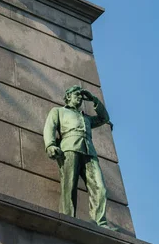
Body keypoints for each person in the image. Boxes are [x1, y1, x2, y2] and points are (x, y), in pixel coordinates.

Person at [43, 86, 115, 229]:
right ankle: (68, 217)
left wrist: (93, 99)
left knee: (100, 187)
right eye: (77, 95)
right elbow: (49, 127)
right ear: (68, 96)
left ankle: (99, 222)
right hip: (69, 149)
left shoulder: (86, 118)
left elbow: (104, 118)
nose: (80, 98)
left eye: (81, 97)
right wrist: (50, 145)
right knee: (69, 185)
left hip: (89, 152)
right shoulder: (58, 111)